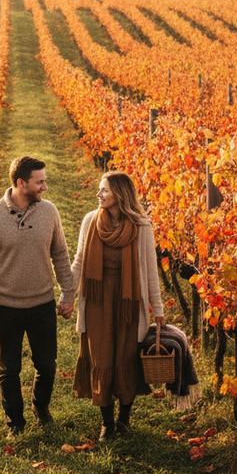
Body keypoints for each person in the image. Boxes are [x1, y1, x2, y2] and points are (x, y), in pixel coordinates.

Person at [0, 156, 75, 437]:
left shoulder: (49, 212)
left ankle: (41, 407)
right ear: (20, 183)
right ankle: (14, 422)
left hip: (42, 303)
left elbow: (60, 254)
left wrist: (68, 292)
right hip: (5, 306)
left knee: (46, 365)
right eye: (40, 182)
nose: (45, 187)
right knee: (10, 367)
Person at [70, 171, 165, 441]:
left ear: (120, 195)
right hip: (98, 301)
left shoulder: (141, 226)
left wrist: (157, 309)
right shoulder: (90, 221)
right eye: (100, 190)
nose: (99, 195)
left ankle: (125, 417)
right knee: (101, 356)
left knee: (125, 356)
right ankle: (106, 423)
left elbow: (150, 270)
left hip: (129, 302)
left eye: (104, 191)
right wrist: (67, 294)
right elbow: (78, 262)